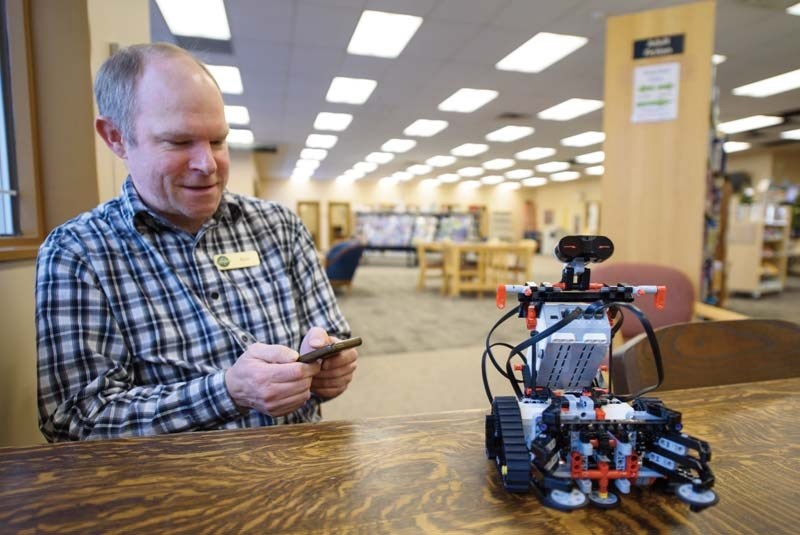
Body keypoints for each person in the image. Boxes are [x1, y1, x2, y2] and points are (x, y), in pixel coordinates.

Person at [35, 43, 357, 442]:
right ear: (116, 137)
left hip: (299, 467)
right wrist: (227, 392)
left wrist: (332, 364)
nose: (208, 166)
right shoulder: (76, 253)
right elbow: (74, 421)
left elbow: (333, 335)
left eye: (218, 141)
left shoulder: (280, 225)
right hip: (173, 491)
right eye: (178, 142)